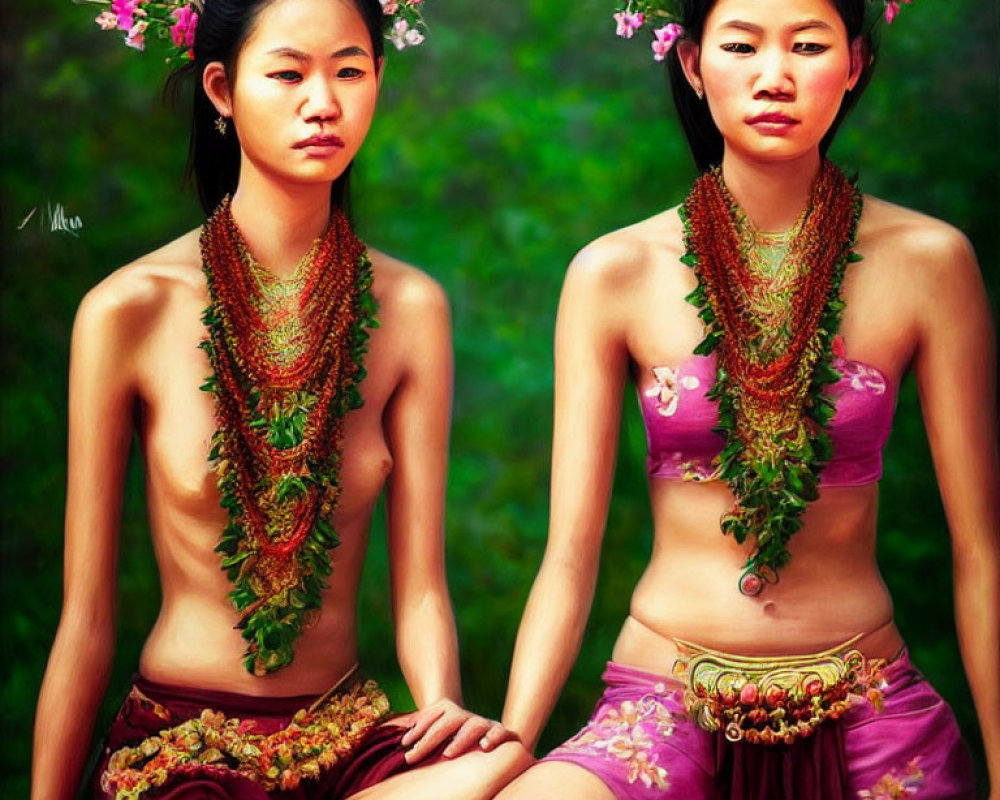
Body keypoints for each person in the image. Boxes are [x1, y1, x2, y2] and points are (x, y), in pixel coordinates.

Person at [496, 0, 998, 797]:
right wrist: (511, 746)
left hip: (870, 708)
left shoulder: (930, 263)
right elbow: (567, 556)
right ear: (693, 65)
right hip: (664, 703)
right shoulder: (615, 271)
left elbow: (982, 552)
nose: (775, 77)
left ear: (855, 66)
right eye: (742, 44)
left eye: (807, 45)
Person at [30, 1, 529, 798]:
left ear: (379, 81)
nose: (322, 102)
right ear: (222, 89)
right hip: (183, 747)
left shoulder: (410, 309)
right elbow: (85, 621)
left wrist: (441, 708)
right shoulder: (130, 310)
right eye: (289, 72)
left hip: (346, 739)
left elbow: (422, 586)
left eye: (350, 71)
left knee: (506, 763)